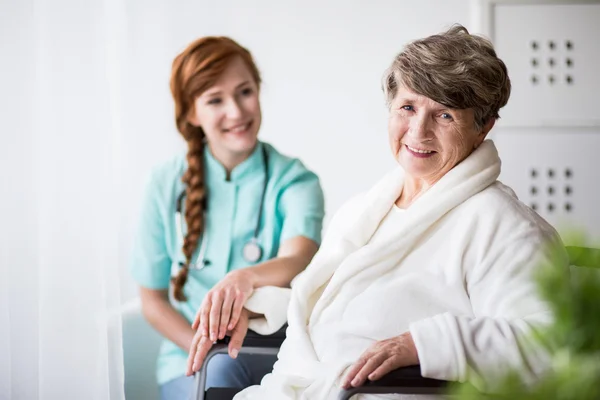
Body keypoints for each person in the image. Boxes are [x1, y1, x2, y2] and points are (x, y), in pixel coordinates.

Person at [188, 25, 568, 399]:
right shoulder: (365, 210)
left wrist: (423, 345)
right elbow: (335, 309)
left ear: (484, 126)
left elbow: (544, 347)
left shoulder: (504, 227)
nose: (418, 133)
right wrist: (255, 311)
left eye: (445, 115)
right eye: (408, 107)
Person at [129, 36, 325, 400]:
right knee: (220, 372)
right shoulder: (163, 183)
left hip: (275, 356)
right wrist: (205, 349)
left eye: (244, 92)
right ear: (190, 112)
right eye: (215, 100)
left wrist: (243, 278)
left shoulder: (296, 181)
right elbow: (152, 301)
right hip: (186, 361)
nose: (236, 111)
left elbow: (299, 257)